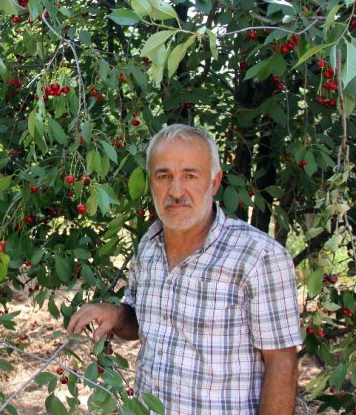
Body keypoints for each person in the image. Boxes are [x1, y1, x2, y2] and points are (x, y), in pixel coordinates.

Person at [67, 124, 302, 414]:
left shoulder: (258, 257)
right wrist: (116, 315)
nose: (176, 191)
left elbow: (282, 364)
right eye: (164, 176)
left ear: (214, 183)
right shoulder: (150, 246)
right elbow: (141, 325)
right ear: (151, 183)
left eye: (190, 175)